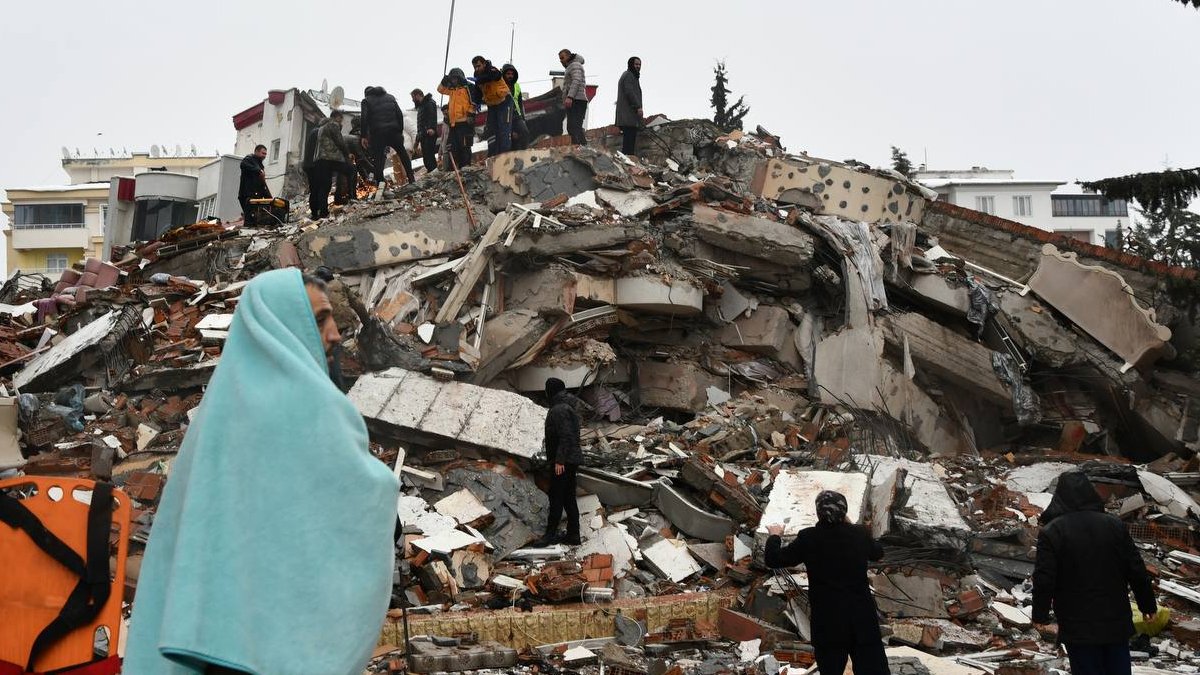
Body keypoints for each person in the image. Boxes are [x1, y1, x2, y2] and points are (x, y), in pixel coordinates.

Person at [123, 269, 400, 675]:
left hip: (213, 637)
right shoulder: (307, 403)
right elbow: (362, 495)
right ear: (285, 323)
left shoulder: (220, 409)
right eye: (320, 320)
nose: (336, 335)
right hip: (263, 647)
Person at [1032, 472, 1157, 675]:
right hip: (1114, 618)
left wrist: (1040, 614)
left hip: (1077, 622)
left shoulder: (1052, 532)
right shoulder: (1114, 525)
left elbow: (1045, 578)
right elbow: (1136, 569)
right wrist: (1147, 604)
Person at [765, 491, 889, 675]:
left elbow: (774, 560)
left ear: (818, 513)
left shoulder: (809, 538)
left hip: (828, 621)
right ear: (844, 511)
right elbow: (878, 553)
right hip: (861, 618)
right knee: (873, 670)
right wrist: (849, 525)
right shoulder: (859, 534)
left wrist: (775, 536)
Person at [536, 377, 583, 546]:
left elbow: (566, 437)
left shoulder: (559, 410)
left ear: (550, 391)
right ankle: (573, 535)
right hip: (571, 460)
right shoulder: (567, 406)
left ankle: (549, 535)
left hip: (563, 461)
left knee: (556, 496)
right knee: (569, 497)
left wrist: (559, 461)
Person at [361, 85, 416, 185]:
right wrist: (399, 131)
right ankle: (411, 177)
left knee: (378, 158)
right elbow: (399, 114)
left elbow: (364, 119)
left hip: (378, 134)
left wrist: (364, 136)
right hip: (394, 132)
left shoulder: (366, 101)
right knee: (402, 153)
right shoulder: (390, 97)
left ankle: (380, 183)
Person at [309, 110, 354, 219]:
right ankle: (352, 197)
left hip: (320, 160)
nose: (341, 122)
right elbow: (340, 141)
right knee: (351, 170)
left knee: (323, 186)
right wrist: (347, 154)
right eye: (341, 119)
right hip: (331, 158)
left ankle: (321, 213)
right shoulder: (333, 124)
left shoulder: (321, 128)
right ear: (337, 117)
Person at [472, 55, 513, 156]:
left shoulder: (492, 69)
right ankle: (493, 154)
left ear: (484, 64)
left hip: (504, 102)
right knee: (491, 130)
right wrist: (475, 103)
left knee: (504, 129)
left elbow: (494, 76)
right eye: (475, 67)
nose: (477, 69)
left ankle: (505, 155)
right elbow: (478, 92)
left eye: (478, 66)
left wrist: (479, 80)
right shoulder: (477, 77)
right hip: (492, 105)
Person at [437, 68, 477, 170]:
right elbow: (440, 89)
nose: (454, 80)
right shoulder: (451, 90)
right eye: (452, 79)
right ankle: (455, 171)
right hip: (454, 124)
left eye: (455, 78)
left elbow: (475, 101)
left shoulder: (468, 87)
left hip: (465, 123)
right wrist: (444, 79)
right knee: (452, 148)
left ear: (460, 77)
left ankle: (466, 170)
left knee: (465, 148)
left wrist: (471, 114)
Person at [558, 49, 588, 145]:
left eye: (562, 58)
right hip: (576, 100)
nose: (561, 60)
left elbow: (576, 80)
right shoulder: (572, 66)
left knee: (574, 126)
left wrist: (570, 97)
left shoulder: (574, 65)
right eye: (560, 59)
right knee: (573, 127)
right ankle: (580, 147)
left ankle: (581, 148)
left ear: (568, 56)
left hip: (577, 100)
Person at [615, 56, 643, 156]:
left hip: (629, 116)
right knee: (628, 145)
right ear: (631, 64)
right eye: (636, 64)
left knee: (629, 142)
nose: (638, 66)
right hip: (628, 116)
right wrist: (638, 107)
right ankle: (628, 162)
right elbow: (629, 92)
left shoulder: (631, 76)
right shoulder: (628, 75)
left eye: (639, 64)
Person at [411, 88, 440, 173]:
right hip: (423, 134)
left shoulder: (429, 103)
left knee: (429, 156)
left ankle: (434, 173)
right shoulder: (421, 106)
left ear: (418, 95)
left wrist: (431, 128)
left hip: (429, 133)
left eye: (413, 97)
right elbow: (420, 123)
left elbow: (432, 116)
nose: (412, 100)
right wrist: (418, 138)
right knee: (426, 157)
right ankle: (431, 172)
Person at [502, 64, 530, 150]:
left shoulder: (517, 85)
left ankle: (524, 153)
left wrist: (522, 117)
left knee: (524, 132)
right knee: (511, 137)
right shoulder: (500, 86)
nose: (510, 76)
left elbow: (520, 103)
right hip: (505, 116)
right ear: (504, 74)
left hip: (516, 115)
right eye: (508, 74)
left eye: (512, 74)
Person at [238, 144, 270, 220]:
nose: (264, 156)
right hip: (247, 197)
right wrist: (258, 170)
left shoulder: (260, 165)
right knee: (250, 218)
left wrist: (270, 199)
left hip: (255, 198)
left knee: (256, 218)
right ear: (256, 152)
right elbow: (243, 164)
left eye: (265, 154)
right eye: (263, 153)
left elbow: (262, 184)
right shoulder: (249, 159)